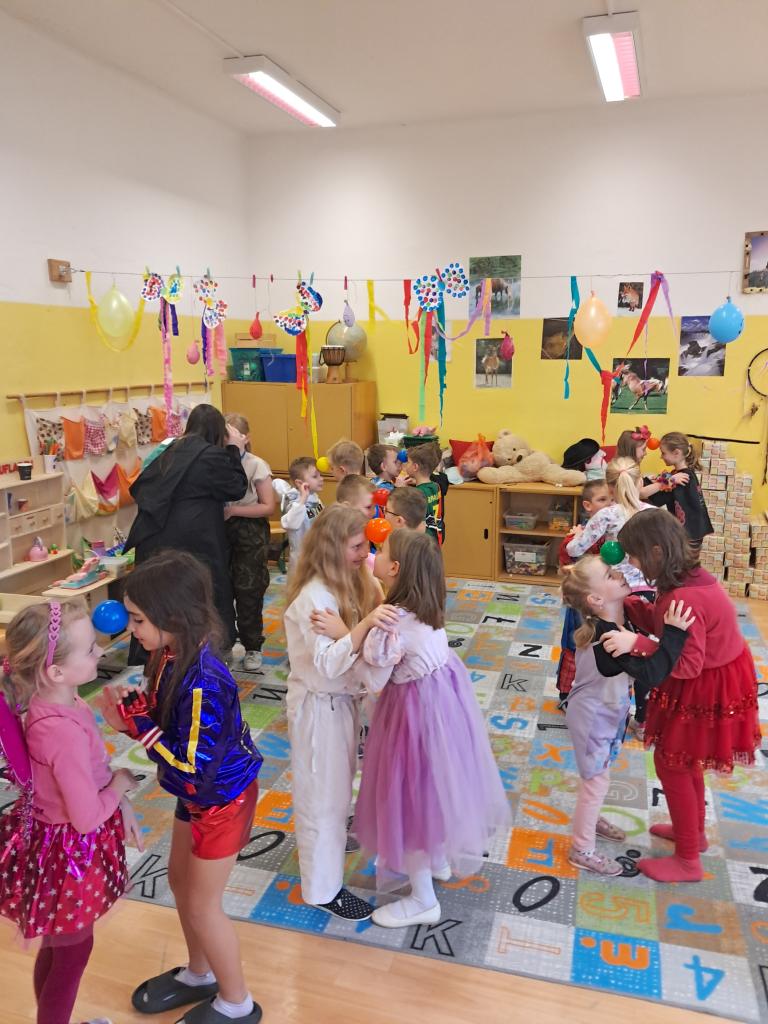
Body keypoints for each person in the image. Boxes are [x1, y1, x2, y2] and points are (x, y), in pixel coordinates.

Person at [313, 530, 510, 927]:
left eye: (382, 550)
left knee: (409, 798)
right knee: (433, 789)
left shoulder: (391, 622)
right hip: (443, 705)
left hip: (413, 714)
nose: (374, 553)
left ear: (395, 569)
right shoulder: (423, 604)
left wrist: (343, 636)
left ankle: (423, 899)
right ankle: (436, 860)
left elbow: (373, 678)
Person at [98, 551, 263, 1022]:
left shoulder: (203, 680)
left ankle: (237, 1002)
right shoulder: (170, 654)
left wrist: (138, 726)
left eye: (137, 619)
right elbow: (173, 727)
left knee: (203, 904)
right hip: (197, 796)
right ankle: (199, 973)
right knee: (180, 883)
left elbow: (192, 766)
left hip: (221, 799)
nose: (131, 629)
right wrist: (138, 714)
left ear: (171, 616)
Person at [0, 600, 140, 1024]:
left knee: (60, 947)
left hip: (60, 846)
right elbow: (85, 817)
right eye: (90, 649)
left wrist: (119, 799)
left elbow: (86, 778)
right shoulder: (59, 731)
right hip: (72, 854)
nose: (101, 651)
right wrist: (120, 785)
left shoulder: (59, 702)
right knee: (72, 953)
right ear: (56, 672)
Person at [612, 509, 761, 882]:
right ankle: (692, 834)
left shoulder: (685, 597)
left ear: (656, 552)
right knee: (684, 760)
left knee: (673, 764)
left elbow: (685, 664)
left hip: (705, 682)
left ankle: (688, 860)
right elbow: (667, 625)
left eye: (634, 556)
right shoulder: (685, 578)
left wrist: (636, 643)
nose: (631, 564)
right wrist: (631, 605)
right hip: (717, 672)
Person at [283, 506, 399, 920]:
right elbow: (330, 663)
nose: (364, 553)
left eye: (365, 545)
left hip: (341, 703)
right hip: (319, 708)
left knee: (336, 792)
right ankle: (322, 890)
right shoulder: (314, 598)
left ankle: (328, 857)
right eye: (356, 546)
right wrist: (363, 625)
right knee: (321, 799)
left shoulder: (346, 582)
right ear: (333, 549)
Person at [561, 557, 694, 876]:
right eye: (610, 575)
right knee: (595, 782)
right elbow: (652, 673)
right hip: (592, 719)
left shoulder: (621, 623)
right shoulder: (608, 638)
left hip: (609, 714)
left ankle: (591, 820)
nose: (620, 573)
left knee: (600, 776)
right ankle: (582, 849)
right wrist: (674, 635)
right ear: (596, 599)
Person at [125, 404, 248, 659]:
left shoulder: (168, 450)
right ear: (219, 432)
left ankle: (153, 653)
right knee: (201, 593)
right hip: (195, 539)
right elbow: (237, 486)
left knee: (159, 596)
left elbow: (139, 487)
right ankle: (206, 653)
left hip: (155, 538)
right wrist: (234, 448)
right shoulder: (210, 455)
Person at [223, 414, 275, 672]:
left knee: (249, 590)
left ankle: (252, 645)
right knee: (222, 589)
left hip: (249, 532)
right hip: (220, 531)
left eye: (231, 436)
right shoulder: (216, 462)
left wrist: (234, 511)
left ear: (245, 438)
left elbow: (268, 506)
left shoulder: (256, 465)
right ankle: (225, 642)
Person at [556, 480, 612, 708]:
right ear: (588, 506)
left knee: (602, 644)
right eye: (602, 500)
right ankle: (566, 694)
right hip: (580, 602)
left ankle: (596, 692)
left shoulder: (615, 532)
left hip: (606, 601)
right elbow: (565, 558)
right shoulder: (580, 535)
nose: (609, 505)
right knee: (575, 643)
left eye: (612, 500)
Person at [649, 431, 713, 548]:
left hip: (689, 536)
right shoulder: (681, 474)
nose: (661, 457)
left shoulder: (681, 478)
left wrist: (647, 485)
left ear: (676, 453)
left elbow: (660, 499)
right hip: (690, 534)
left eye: (663, 453)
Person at [616, 425, 690, 502]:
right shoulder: (625, 470)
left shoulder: (627, 466)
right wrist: (666, 482)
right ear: (632, 450)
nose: (645, 453)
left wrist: (649, 480)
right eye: (643, 449)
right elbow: (639, 493)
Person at [275, 456, 325, 564]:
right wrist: (302, 500)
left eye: (320, 475)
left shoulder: (315, 498)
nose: (321, 478)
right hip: (301, 560)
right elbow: (289, 524)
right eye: (315, 476)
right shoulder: (295, 503)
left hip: (318, 555)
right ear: (299, 483)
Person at [404, 443, 445, 544]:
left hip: (423, 542)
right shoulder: (436, 486)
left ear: (415, 467)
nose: (405, 465)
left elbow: (418, 526)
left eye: (408, 462)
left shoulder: (417, 494)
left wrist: (400, 489)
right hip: (436, 537)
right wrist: (416, 482)